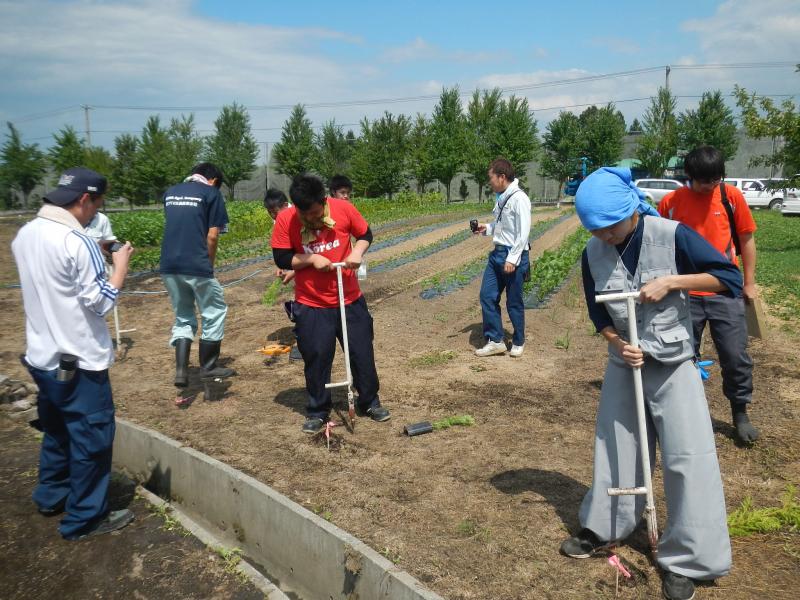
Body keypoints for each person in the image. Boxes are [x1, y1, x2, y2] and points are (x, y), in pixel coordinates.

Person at [560, 167, 740, 600]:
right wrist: (617, 344)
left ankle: (687, 559)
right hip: (625, 362)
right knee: (616, 445)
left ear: (628, 211)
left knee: (686, 455)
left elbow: (728, 278)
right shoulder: (594, 250)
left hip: (674, 362)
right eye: (594, 229)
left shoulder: (671, 235)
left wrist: (674, 280)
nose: (603, 236)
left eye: (609, 227)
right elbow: (598, 312)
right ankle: (605, 525)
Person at [11, 167, 135, 540]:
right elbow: (100, 302)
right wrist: (120, 267)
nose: (97, 212)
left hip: (42, 357)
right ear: (85, 200)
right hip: (79, 361)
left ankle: (52, 495)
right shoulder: (76, 240)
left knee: (57, 430)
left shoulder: (26, 234)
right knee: (91, 439)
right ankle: (84, 518)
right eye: (97, 204)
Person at [271, 174, 390, 433]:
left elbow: (364, 233)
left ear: (323, 201)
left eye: (316, 213)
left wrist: (357, 252)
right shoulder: (286, 219)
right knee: (316, 358)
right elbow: (281, 258)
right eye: (307, 216)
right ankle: (318, 409)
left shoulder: (343, 208)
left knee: (361, 353)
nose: (313, 220)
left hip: (349, 298)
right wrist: (311, 260)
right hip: (312, 303)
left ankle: (369, 400)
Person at [658, 146, 759, 444]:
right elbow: (661, 244)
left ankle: (740, 412)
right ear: (689, 176)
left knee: (735, 354)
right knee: (682, 356)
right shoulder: (671, 202)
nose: (711, 186)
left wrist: (749, 282)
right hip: (684, 291)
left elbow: (746, 239)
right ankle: (686, 414)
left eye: (716, 180)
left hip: (724, 290)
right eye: (705, 182)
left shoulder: (730, 197)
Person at [160, 162, 235, 388]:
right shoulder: (211, 194)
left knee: (183, 316)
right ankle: (209, 366)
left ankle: (182, 371)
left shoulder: (170, 193)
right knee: (214, 311)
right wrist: (208, 265)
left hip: (169, 265)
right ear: (212, 180)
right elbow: (212, 236)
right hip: (197, 263)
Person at [472, 158, 531, 357]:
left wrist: (512, 259)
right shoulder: (502, 197)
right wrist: (486, 228)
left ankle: (519, 340)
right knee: (487, 296)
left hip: (512, 256)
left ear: (502, 177)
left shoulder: (519, 198)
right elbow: (502, 226)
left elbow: (523, 233)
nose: (490, 182)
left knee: (513, 301)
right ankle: (496, 340)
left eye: (491, 178)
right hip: (497, 255)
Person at [264, 188, 301, 361]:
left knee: (308, 305)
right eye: (270, 213)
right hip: (301, 265)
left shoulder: (299, 216)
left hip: (310, 264)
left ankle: (303, 345)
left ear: (286, 205)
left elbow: (307, 250)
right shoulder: (280, 220)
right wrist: (283, 265)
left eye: (275, 212)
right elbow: (284, 250)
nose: (273, 216)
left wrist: (293, 270)